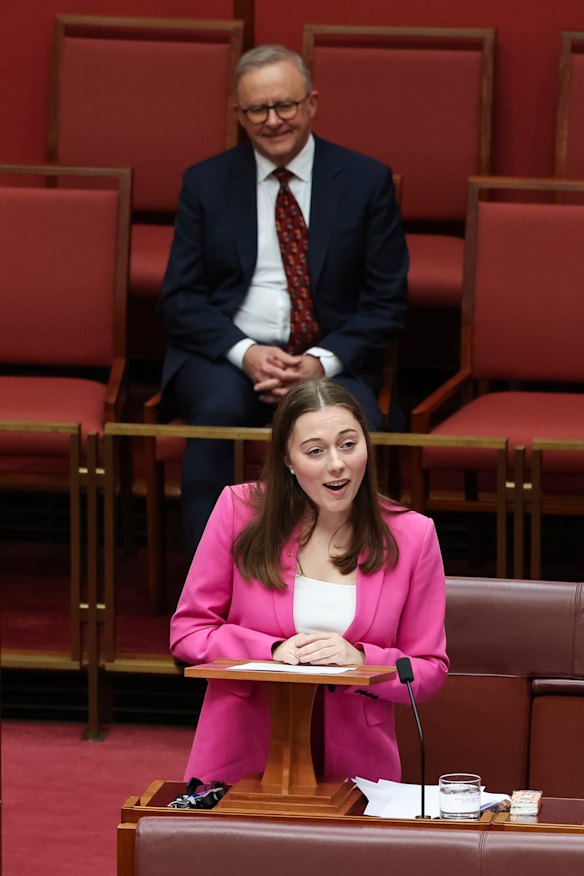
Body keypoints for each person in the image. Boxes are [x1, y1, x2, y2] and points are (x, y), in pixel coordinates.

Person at [158, 44, 409, 558]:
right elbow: (180, 298)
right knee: (217, 411)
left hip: (328, 353)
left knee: (351, 423)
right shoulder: (205, 182)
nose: (273, 121)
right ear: (238, 114)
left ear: (312, 102)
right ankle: (209, 587)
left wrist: (320, 363)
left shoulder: (366, 181)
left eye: (285, 106)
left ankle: (348, 573)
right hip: (227, 355)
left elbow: (386, 303)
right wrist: (245, 352)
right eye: (257, 109)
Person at [170, 379, 447, 785]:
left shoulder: (413, 536)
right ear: (287, 458)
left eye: (348, 444)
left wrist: (360, 660)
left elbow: (428, 670)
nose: (336, 464)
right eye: (315, 451)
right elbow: (188, 633)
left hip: (357, 768)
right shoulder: (239, 511)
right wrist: (272, 650)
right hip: (242, 754)